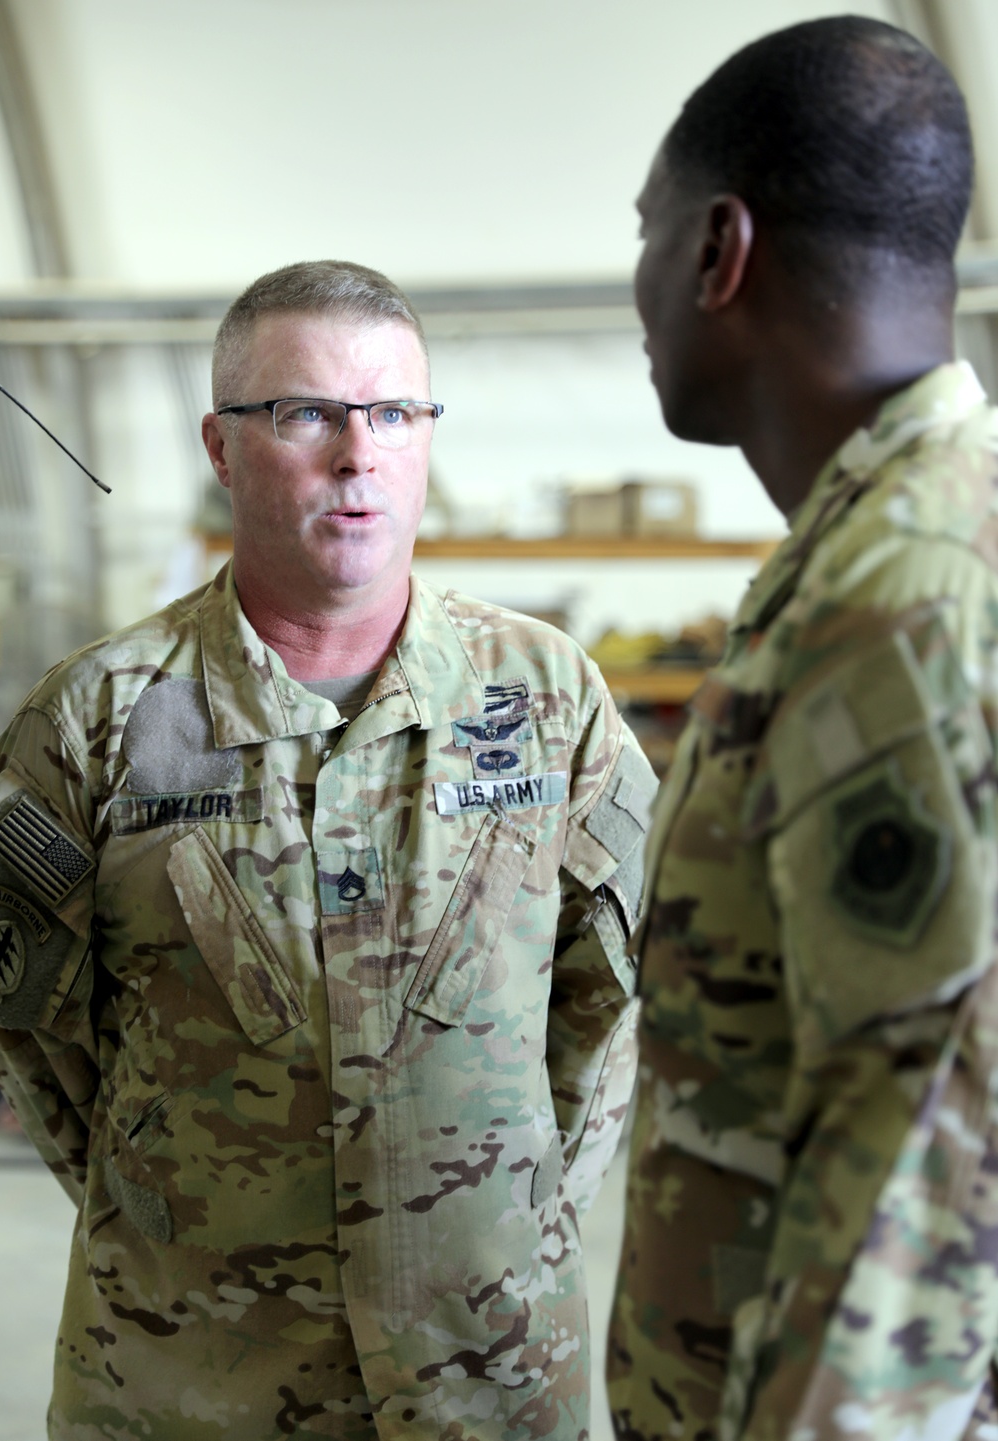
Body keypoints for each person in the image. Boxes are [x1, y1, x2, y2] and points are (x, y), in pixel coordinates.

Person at [0, 259, 655, 1440]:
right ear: (221, 444)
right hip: (187, 1383)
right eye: (306, 413)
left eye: (395, 413)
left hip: (488, 1378)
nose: (360, 455)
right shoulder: (92, 719)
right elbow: (38, 1041)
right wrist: (182, 1203)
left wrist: (508, 1215)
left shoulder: (547, 696)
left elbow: (612, 995)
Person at [608, 16, 998, 1441]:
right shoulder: (873, 549)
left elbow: (924, 1191)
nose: (633, 285)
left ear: (720, 250)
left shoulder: (905, 599)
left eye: (646, 236)